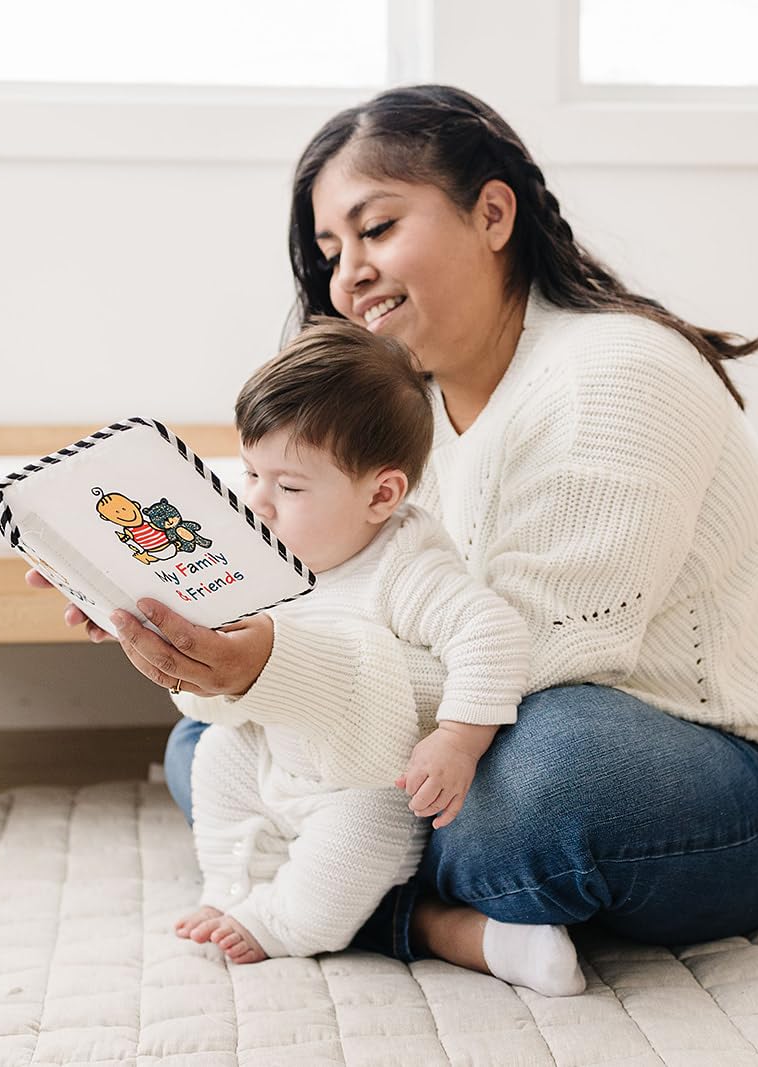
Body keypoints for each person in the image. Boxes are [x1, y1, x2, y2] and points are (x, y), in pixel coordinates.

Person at [27, 84, 758, 994]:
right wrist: (180, 619)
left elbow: (522, 664)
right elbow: (338, 604)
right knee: (211, 745)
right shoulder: (392, 416)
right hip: (458, 731)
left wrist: (272, 669)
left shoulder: (615, 378)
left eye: (377, 228)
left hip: (726, 770)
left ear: (492, 214)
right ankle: (426, 913)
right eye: (330, 250)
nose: (348, 274)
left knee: (542, 775)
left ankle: (385, 910)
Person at [170, 320, 571, 987]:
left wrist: (457, 740)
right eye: (251, 473)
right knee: (214, 753)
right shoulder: (270, 552)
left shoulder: (404, 566)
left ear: (381, 495)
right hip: (281, 754)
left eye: (288, 486)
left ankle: (284, 922)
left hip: (364, 782)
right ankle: (232, 886)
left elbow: (490, 633)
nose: (257, 502)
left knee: (355, 840)